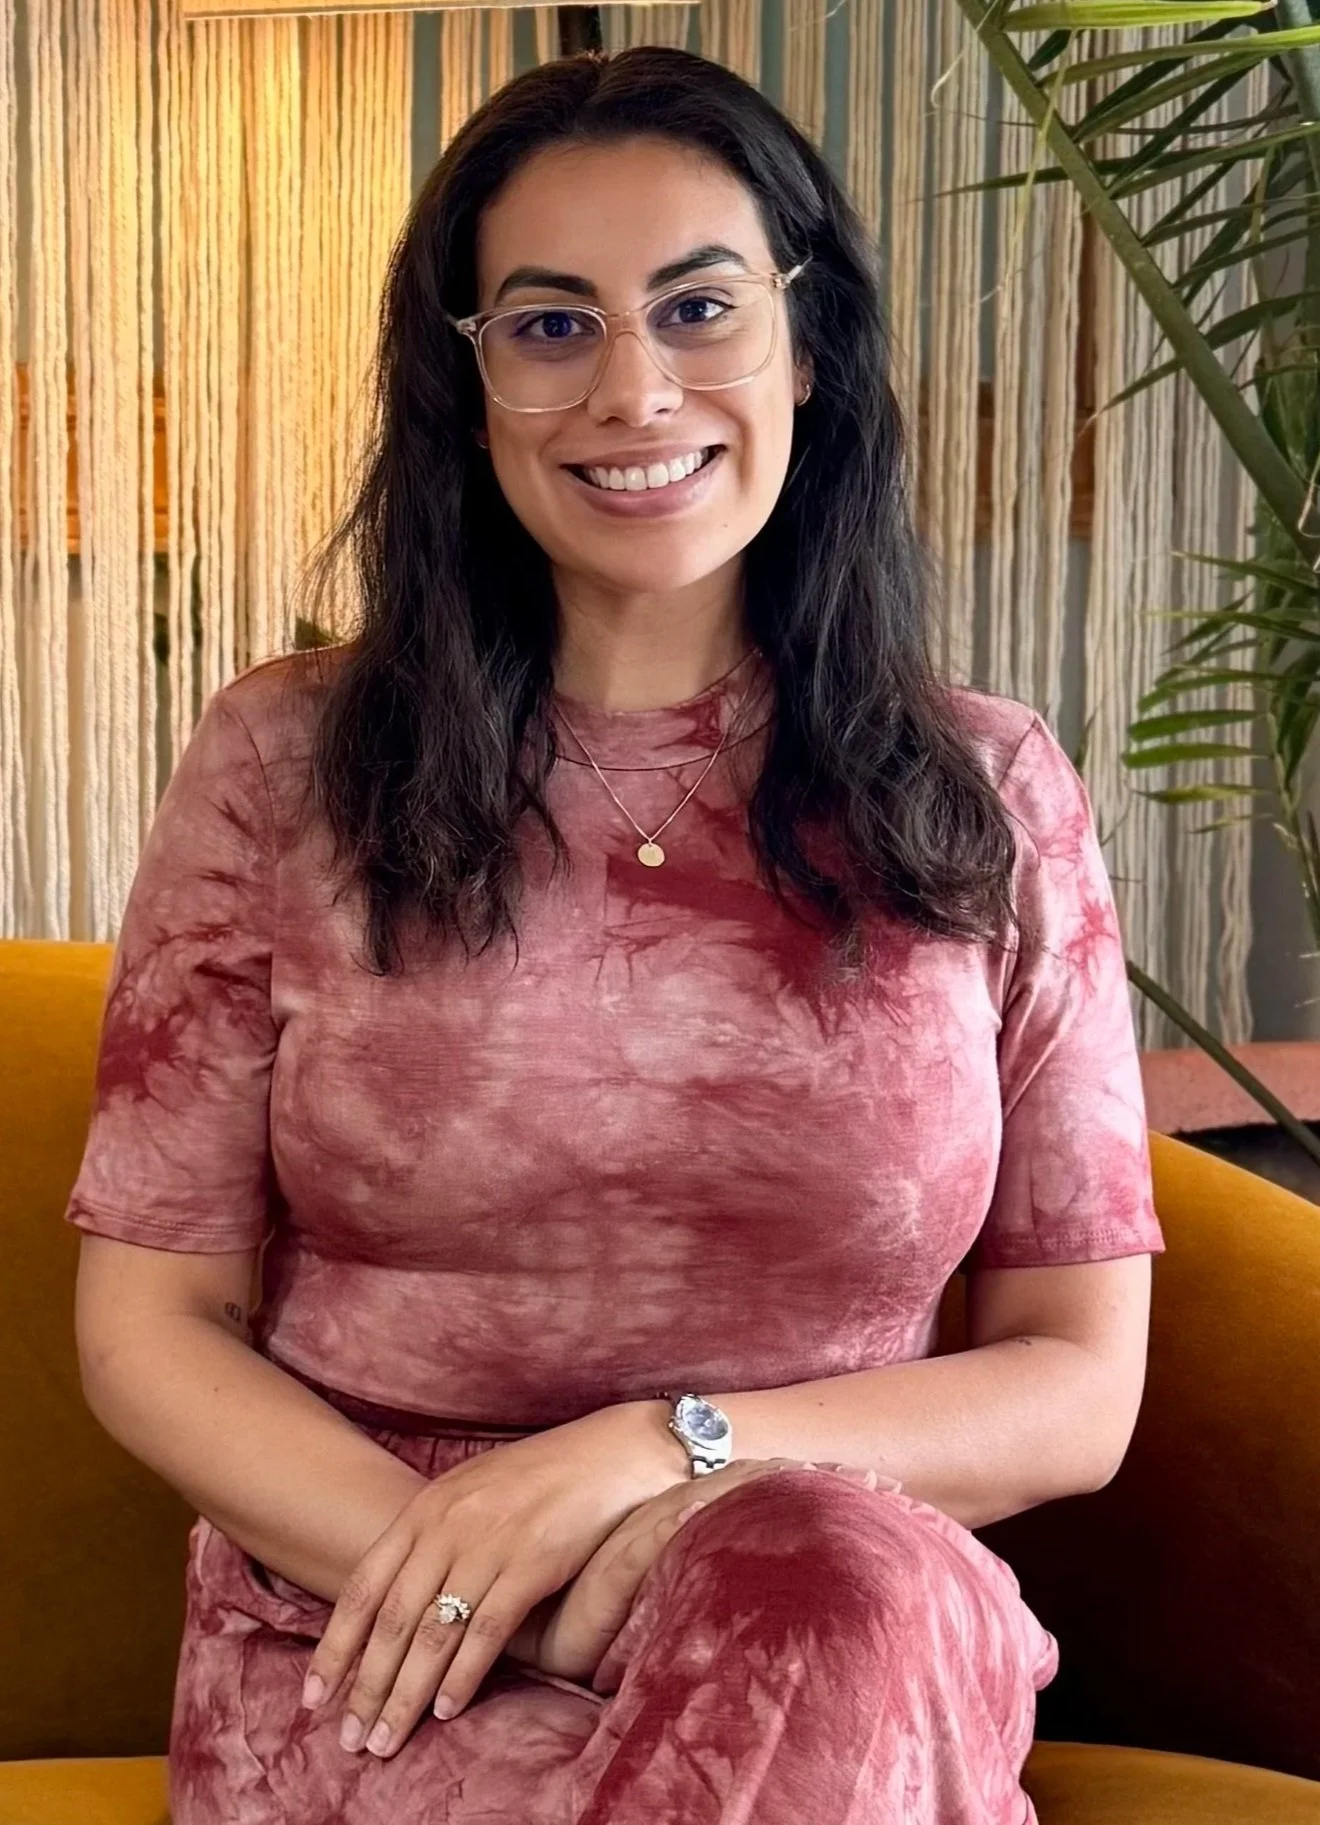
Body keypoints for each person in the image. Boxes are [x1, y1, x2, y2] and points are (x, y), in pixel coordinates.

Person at [65, 43, 1165, 1825]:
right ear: (469, 385)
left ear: (808, 345)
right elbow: (149, 1327)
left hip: (833, 1624)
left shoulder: (990, 794)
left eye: (699, 307)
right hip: (373, 1635)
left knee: (829, 1588)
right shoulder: (285, 765)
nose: (634, 389)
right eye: (552, 325)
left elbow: (1075, 1384)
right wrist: (490, 1583)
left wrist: (656, 1462)